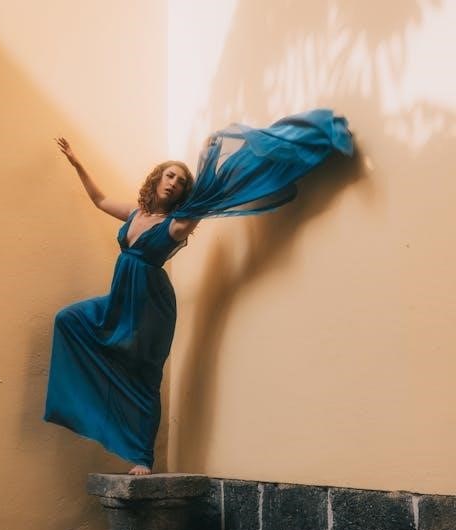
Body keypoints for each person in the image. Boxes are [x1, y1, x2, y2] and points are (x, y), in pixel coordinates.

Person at [44, 109, 354, 475]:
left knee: (144, 377)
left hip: (149, 306)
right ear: (157, 178)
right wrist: (77, 163)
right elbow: (99, 200)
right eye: (170, 175)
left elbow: (208, 198)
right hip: (119, 301)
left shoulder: (177, 224)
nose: (173, 182)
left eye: (180, 181)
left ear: (182, 192)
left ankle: (142, 457)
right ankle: (91, 412)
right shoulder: (135, 213)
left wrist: (210, 157)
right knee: (68, 320)